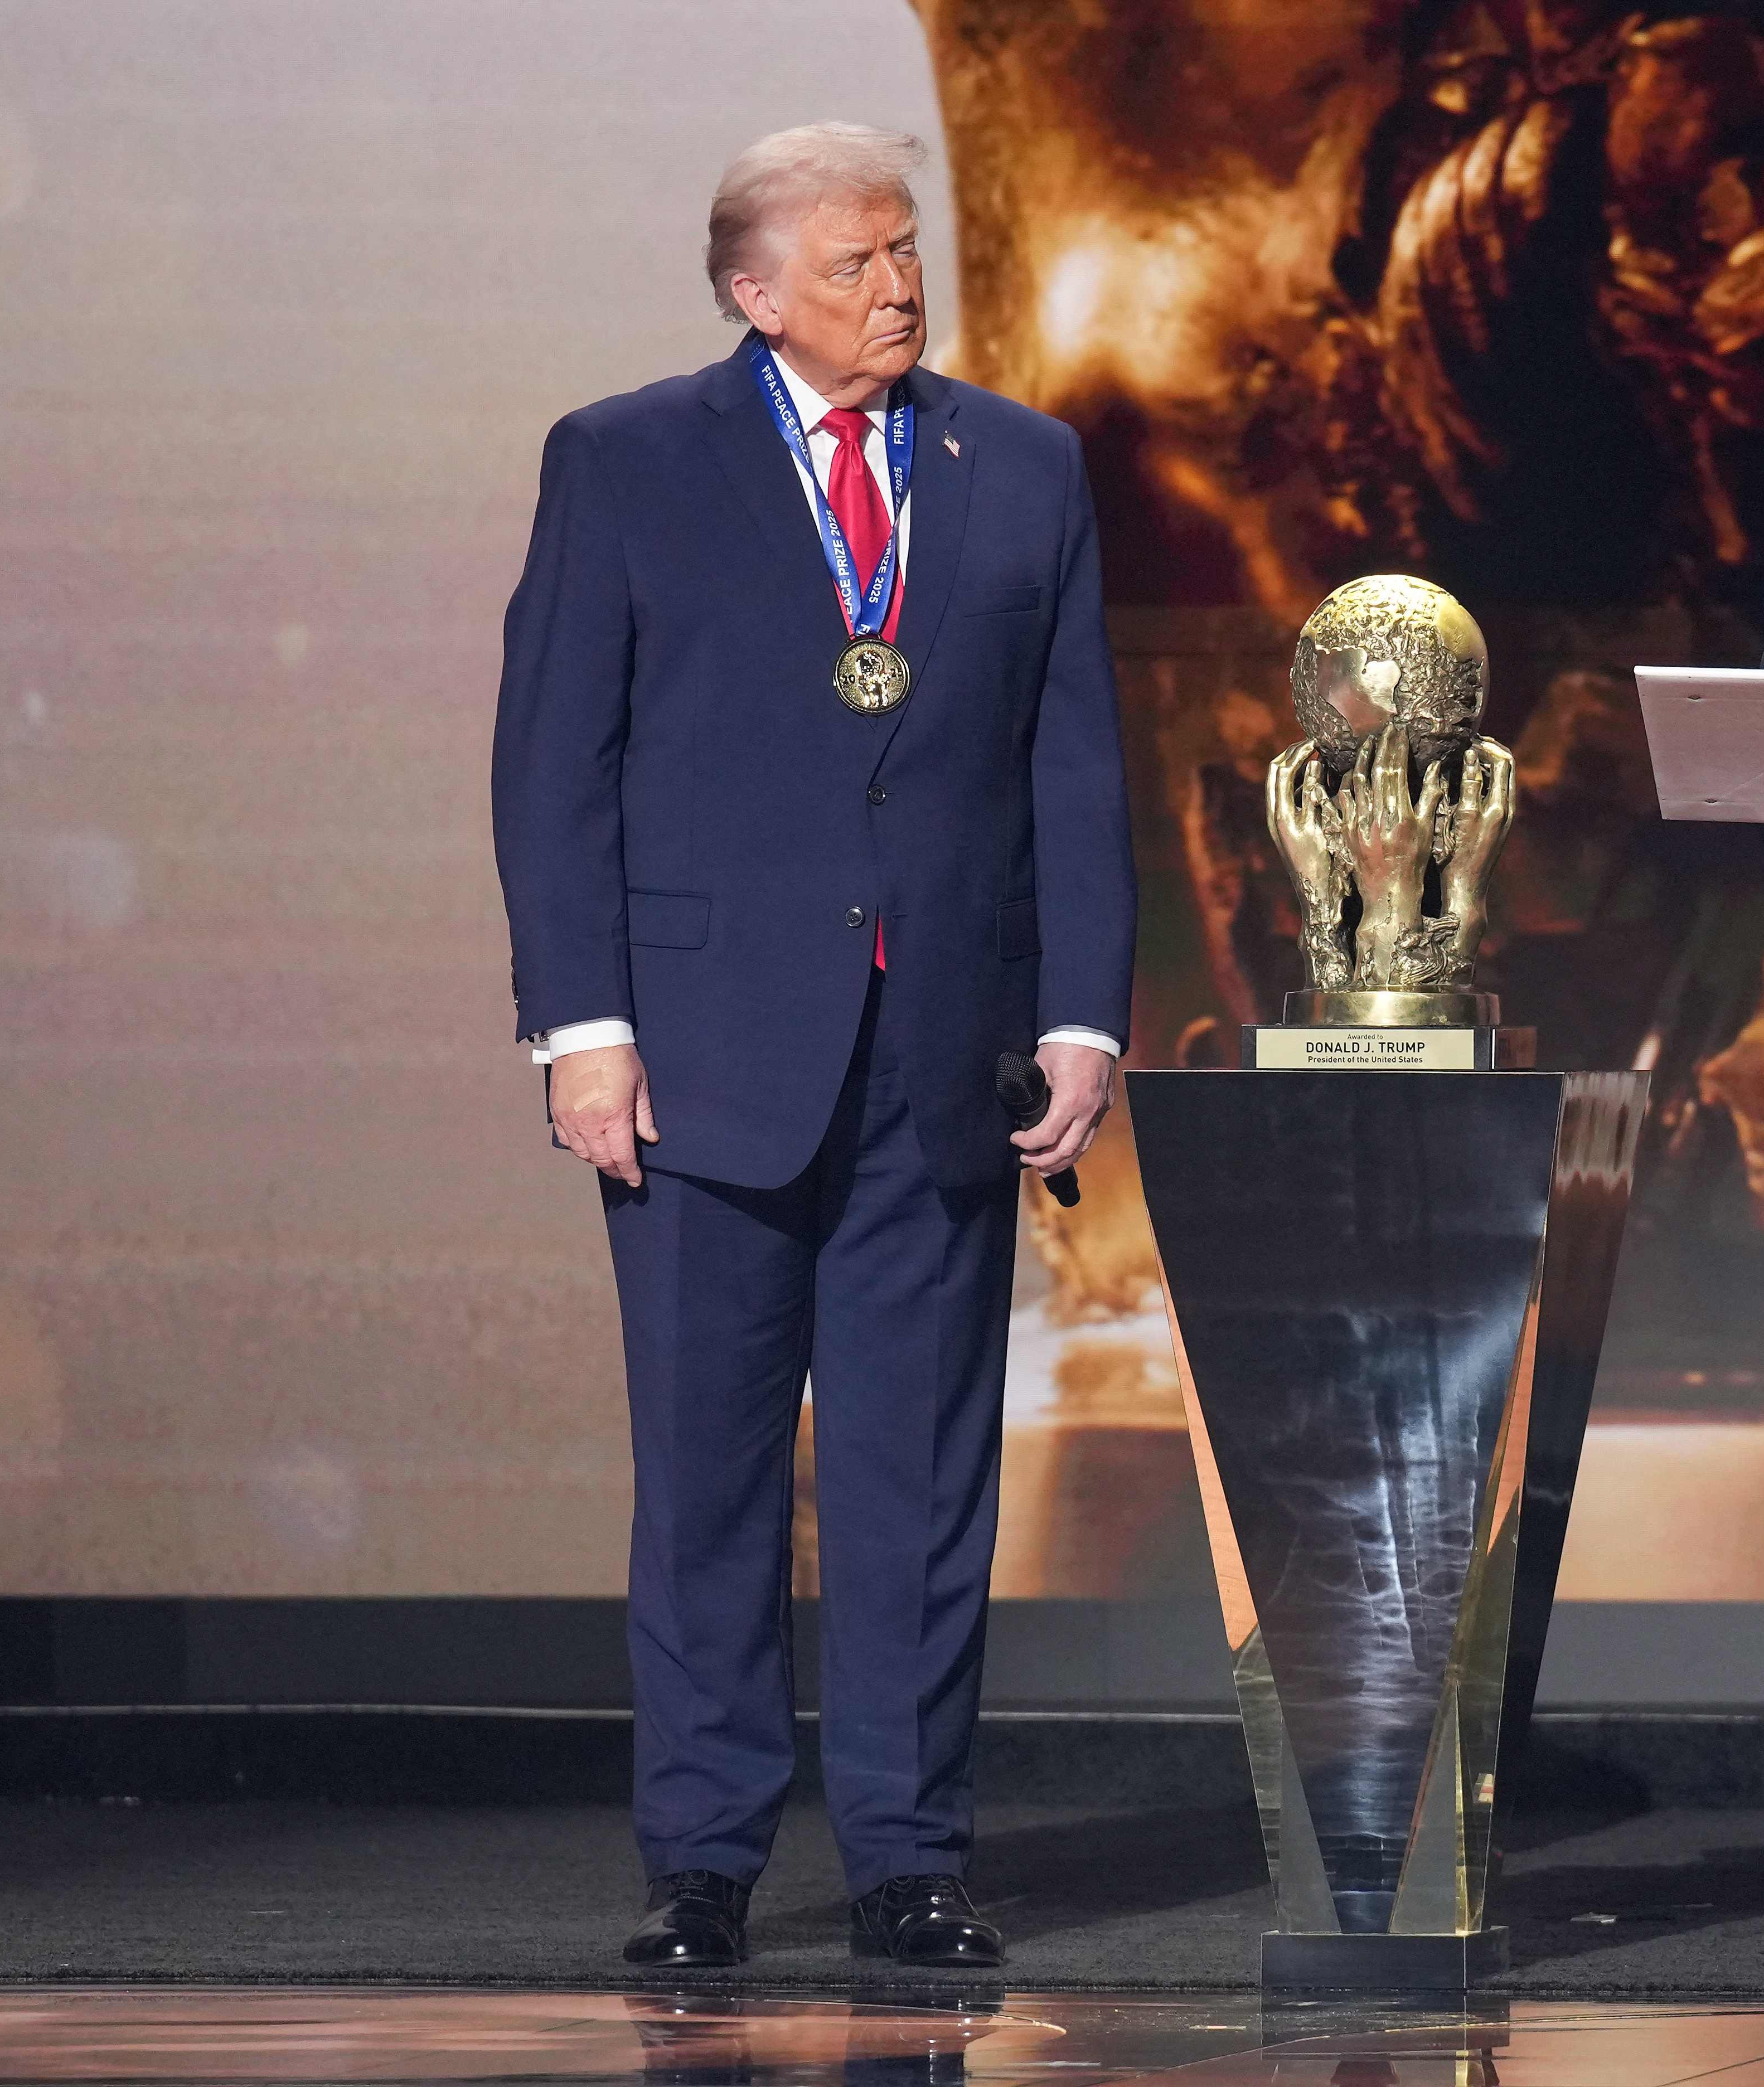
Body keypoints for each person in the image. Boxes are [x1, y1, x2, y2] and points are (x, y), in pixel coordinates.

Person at [490, 123, 1135, 1969]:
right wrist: (583, 1030)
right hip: (701, 1060)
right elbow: (554, 766)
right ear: (754, 293)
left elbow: (1072, 760)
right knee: (709, 1478)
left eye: (906, 250)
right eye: (854, 262)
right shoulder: (626, 461)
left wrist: (1080, 1012)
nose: (898, 288)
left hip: (941, 1053)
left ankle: (910, 1859)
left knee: (919, 1485)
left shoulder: (1022, 464)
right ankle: (703, 1859)